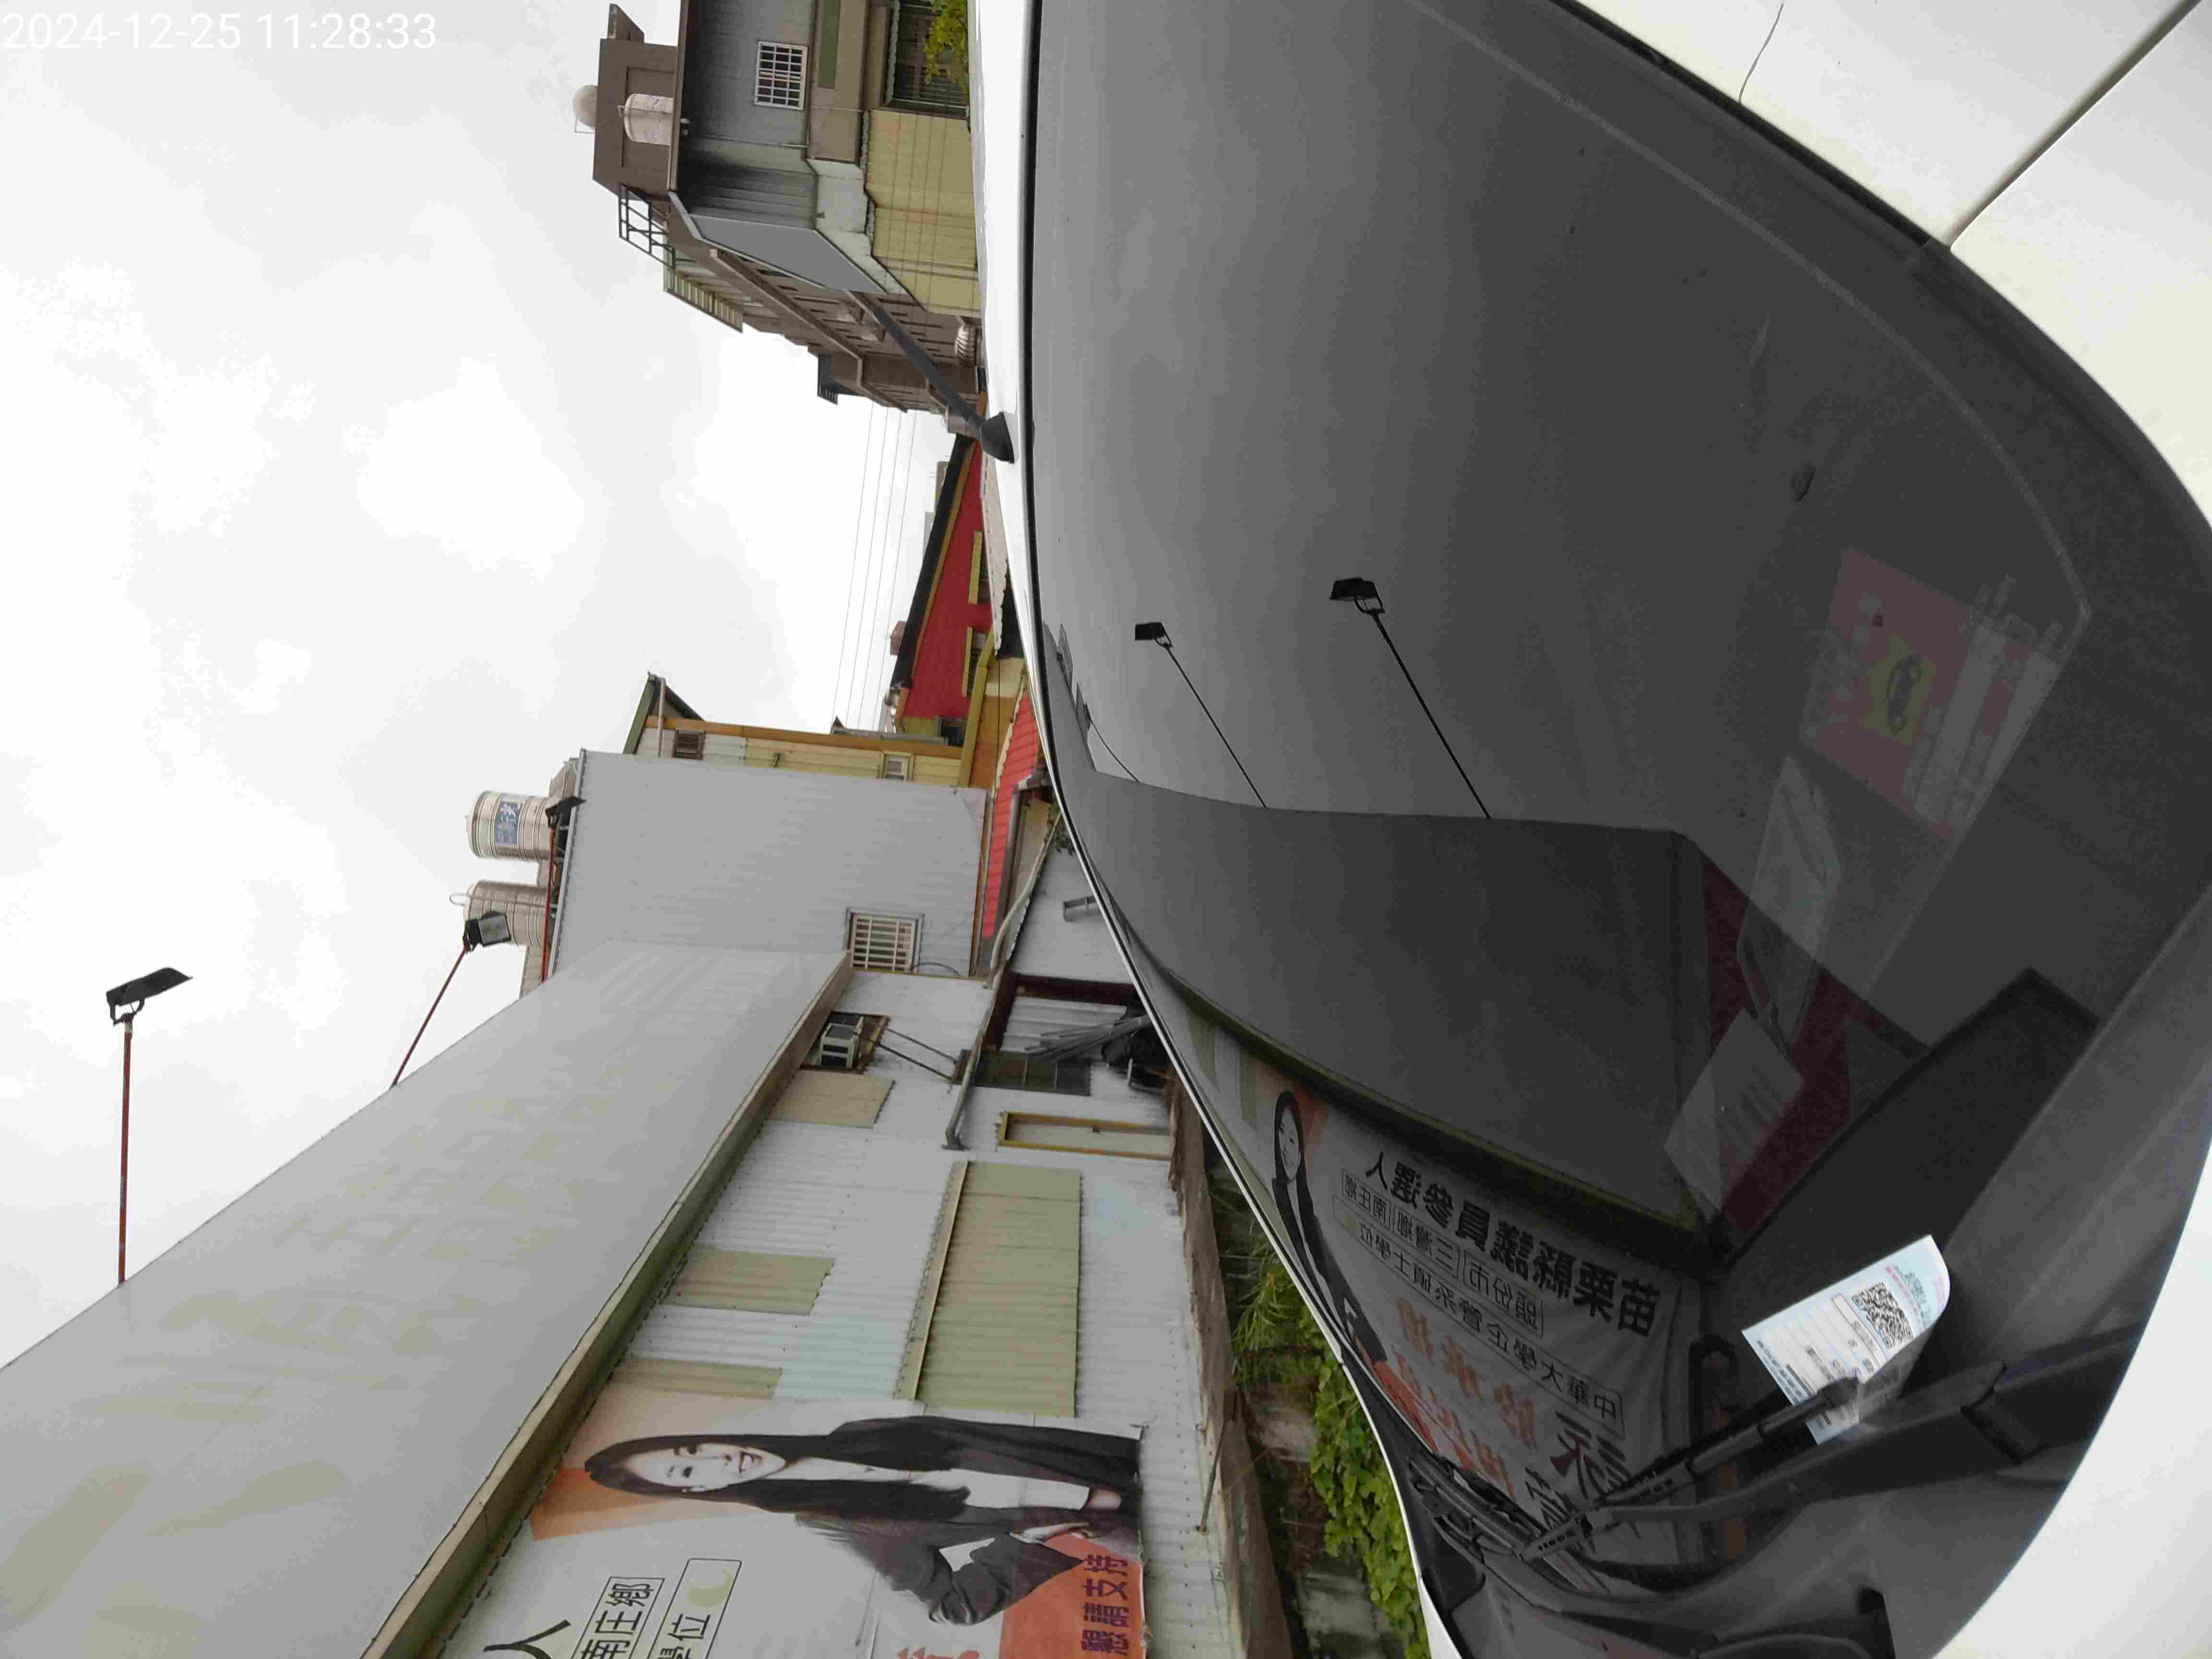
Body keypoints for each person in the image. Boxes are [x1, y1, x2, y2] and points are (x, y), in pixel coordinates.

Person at [585, 1415, 1141, 1626]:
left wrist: (1132, 1453)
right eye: (688, 1472)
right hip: (1119, 1526)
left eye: (691, 1447)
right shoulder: (831, 1519)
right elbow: (952, 1607)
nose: (718, 1459)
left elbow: (1020, 1439)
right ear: (701, 1490)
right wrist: (1029, 1539)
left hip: (1126, 1467)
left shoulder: (859, 1433)